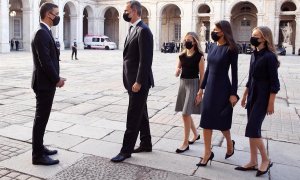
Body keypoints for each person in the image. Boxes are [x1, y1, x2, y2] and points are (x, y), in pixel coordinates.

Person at [111, 0, 154, 163]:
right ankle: (146, 142)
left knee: (133, 115)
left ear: (135, 11)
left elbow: (146, 60)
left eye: (126, 10)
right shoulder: (133, 29)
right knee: (141, 112)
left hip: (138, 82)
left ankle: (125, 150)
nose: (124, 13)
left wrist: (139, 82)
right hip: (131, 80)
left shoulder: (144, 31)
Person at [235, 26, 280, 177]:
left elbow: (275, 83)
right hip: (253, 94)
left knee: (253, 129)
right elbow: (250, 77)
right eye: (252, 35)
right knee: (251, 130)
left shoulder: (270, 57)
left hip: (263, 97)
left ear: (264, 38)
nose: (252, 38)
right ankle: (253, 160)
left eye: (256, 36)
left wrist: (271, 102)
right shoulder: (254, 54)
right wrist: (245, 94)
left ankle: (266, 160)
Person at [197, 20, 239, 166]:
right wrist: (201, 89)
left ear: (224, 31)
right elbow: (208, 69)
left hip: (223, 89)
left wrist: (233, 93)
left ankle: (229, 143)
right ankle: (207, 153)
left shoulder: (232, 49)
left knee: (222, 122)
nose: (213, 32)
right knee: (206, 122)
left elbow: (234, 73)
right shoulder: (212, 46)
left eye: (216, 30)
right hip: (210, 89)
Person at [31, 2, 66, 165]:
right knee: (41, 118)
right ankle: (37, 155)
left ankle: (40, 147)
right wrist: (56, 79)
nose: (58, 16)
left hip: (46, 82)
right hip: (44, 84)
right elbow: (45, 62)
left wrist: (56, 78)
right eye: (56, 13)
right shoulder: (41, 33)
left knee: (42, 118)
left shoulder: (44, 31)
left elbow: (49, 59)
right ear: (48, 14)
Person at [174, 32, 205, 153]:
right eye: (185, 39)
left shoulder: (199, 56)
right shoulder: (181, 55)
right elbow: (177, 71)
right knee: (186, 112)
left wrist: (200, 92)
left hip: (193, 84)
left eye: (189, 40)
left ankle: (185, 143)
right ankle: (196, 135)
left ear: (195, 42)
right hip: (183, 84)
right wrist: (177, 71)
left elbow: (202, 75)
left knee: (185, 114)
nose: (186, 42)